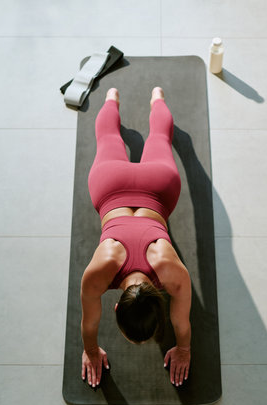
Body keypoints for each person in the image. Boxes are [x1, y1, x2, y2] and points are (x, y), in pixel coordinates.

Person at [81, 87, 191, 389]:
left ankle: (155, 97)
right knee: (108, 140)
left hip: (159, 187)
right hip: (110, 187)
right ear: (117, 306)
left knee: (158, 140)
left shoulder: (172, 271)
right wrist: (90, 349)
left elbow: (182, 323)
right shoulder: (98, 273)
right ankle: (114, 97)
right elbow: (89, 324)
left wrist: (184, 349)